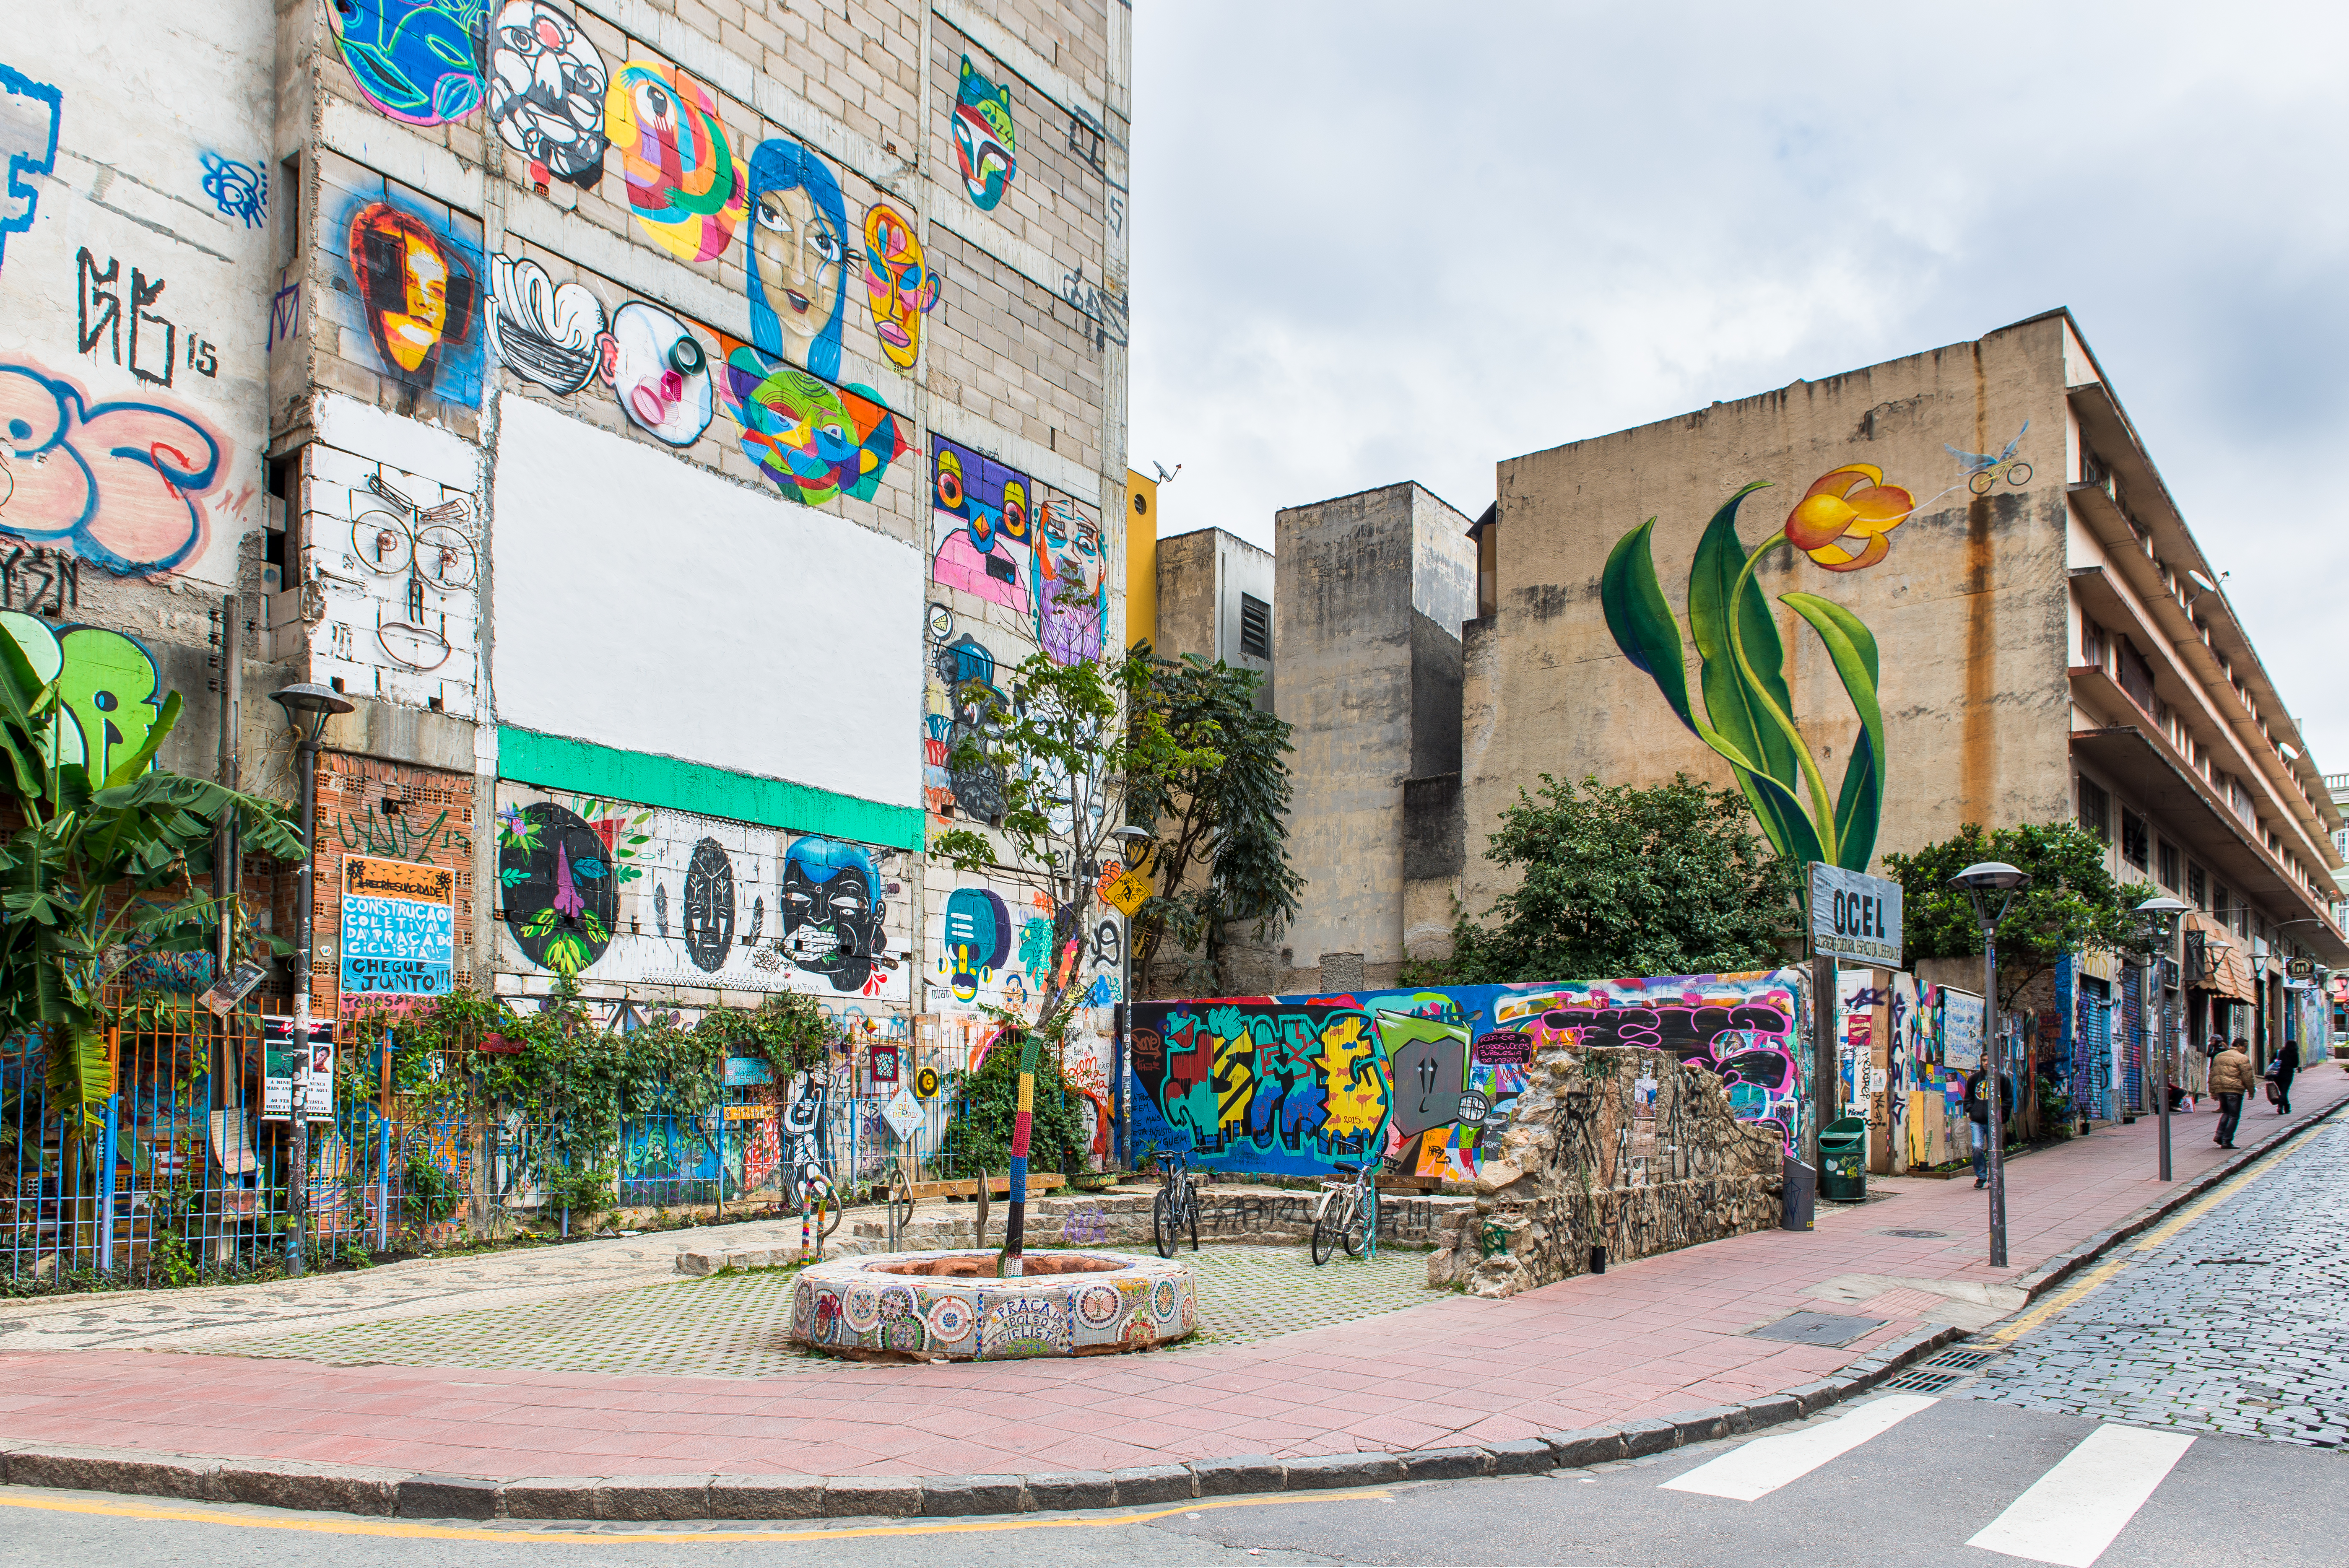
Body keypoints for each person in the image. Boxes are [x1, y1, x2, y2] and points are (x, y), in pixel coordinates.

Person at [2208, 1037, 2255, 1149]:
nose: (2246, 1049)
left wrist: (2213, 1091)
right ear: (2239, 1046)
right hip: (2234, 1090)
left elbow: (2212, 1074)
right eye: (2245, 1047)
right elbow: (2248, 1077)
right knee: (2234, 1116)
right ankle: (2227, 1140)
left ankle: (2219, 1136)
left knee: (2226, 1112)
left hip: (2221, 1090)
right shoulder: (2242, 1058)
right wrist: (2251, 1091)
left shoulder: (2220, 1056)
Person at [2269, 1037, 2299, 1115]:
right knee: (2285, 1091)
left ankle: (2287, 1107)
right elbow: (2296, 1065)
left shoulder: (2279, 1052)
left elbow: (2272, 1062)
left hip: (2278, 1075)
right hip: (2288, 1074)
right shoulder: (2295, 1054)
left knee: (2282, 1091)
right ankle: (2281, 1107)